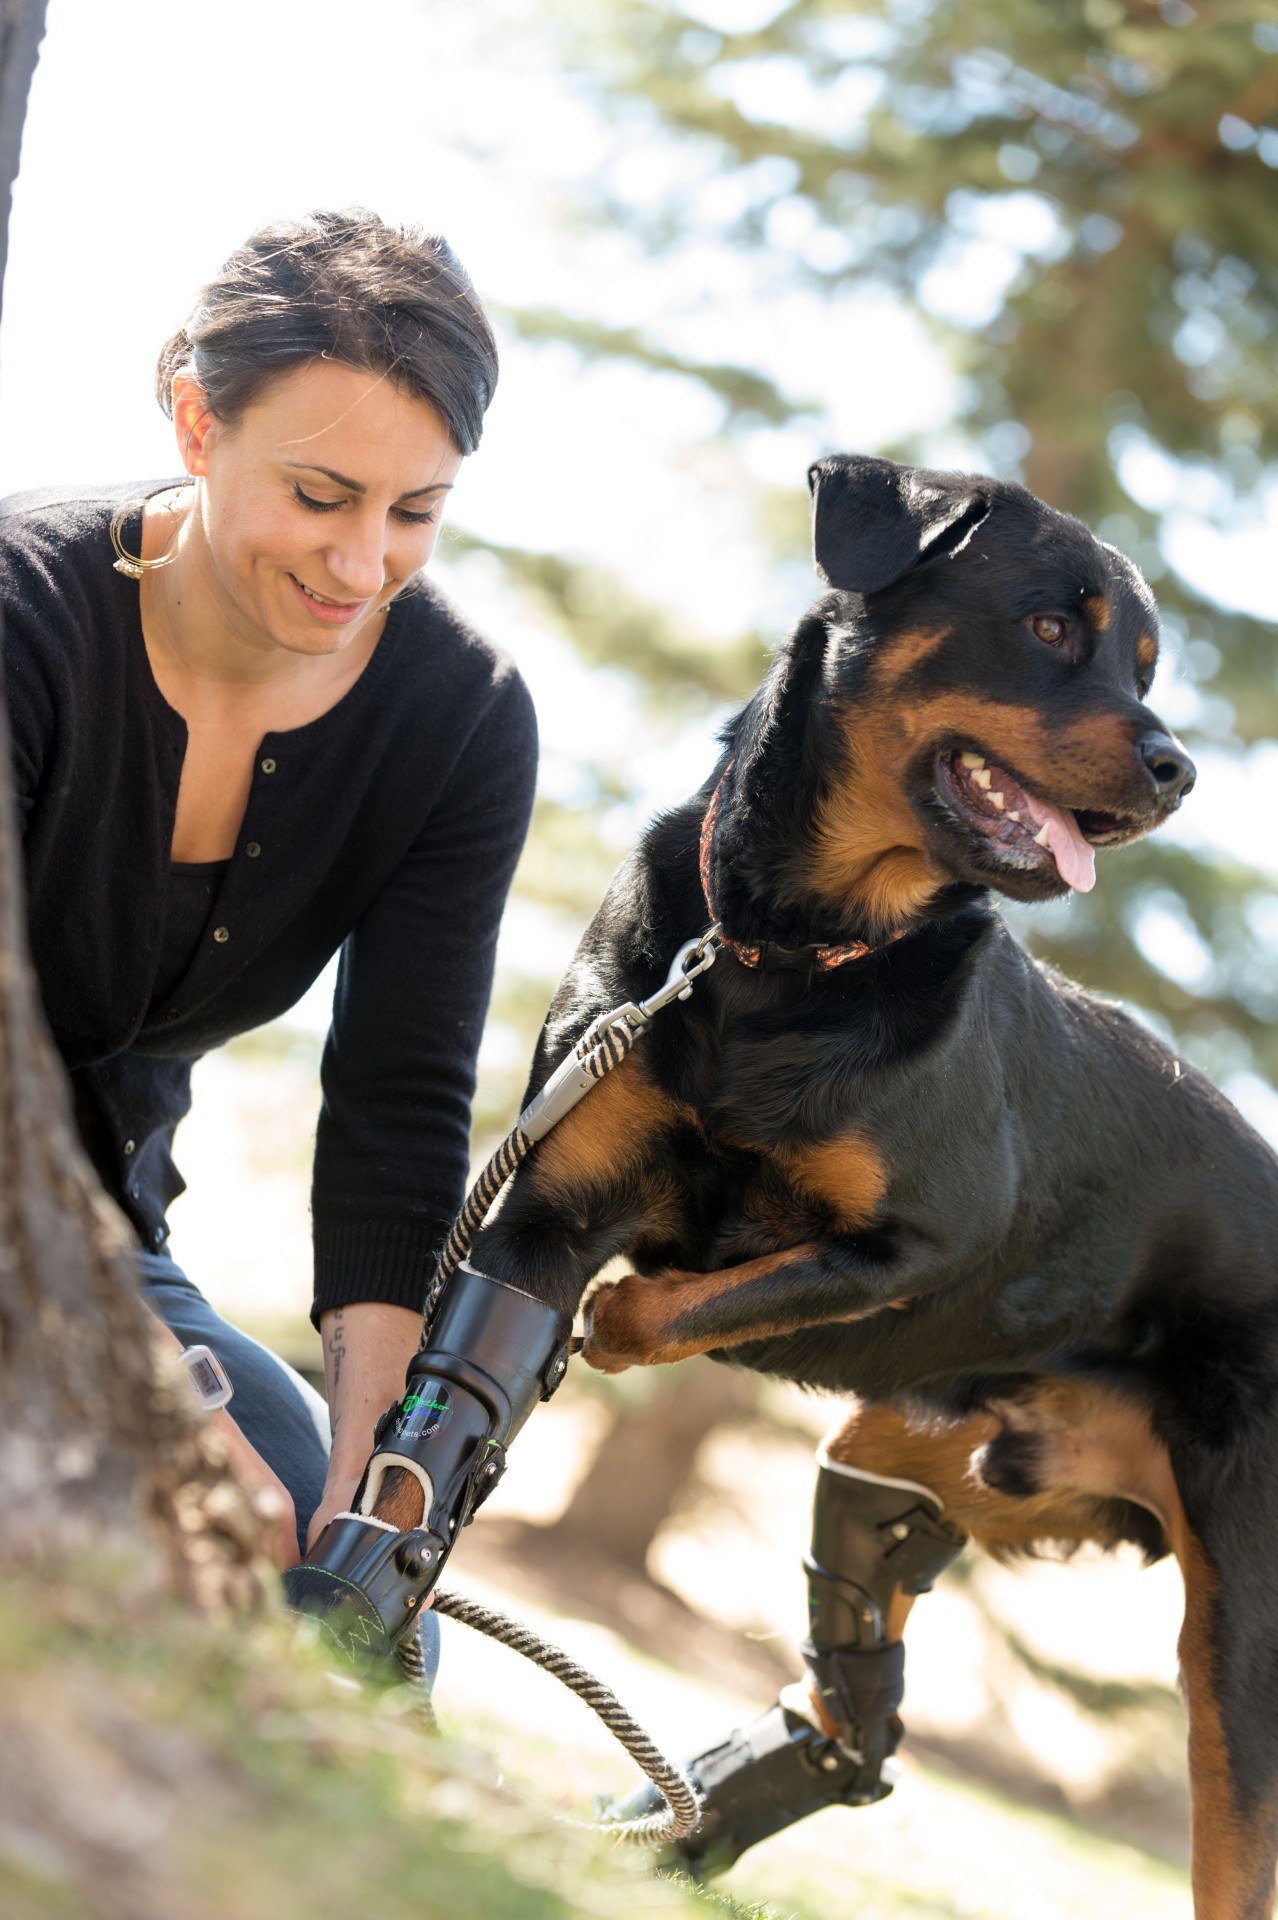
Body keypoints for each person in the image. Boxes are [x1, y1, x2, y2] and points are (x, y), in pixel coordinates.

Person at [0, 211, 537, 1656]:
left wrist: (373, 1471)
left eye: (415, 513)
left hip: (102, 1226)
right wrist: (157, 1382)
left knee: (369, 1630)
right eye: (321, 493)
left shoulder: (460, 720)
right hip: (28, 1233)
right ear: (195, 421)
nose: (364, 562)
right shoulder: (17, 618)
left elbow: (397, 1104)